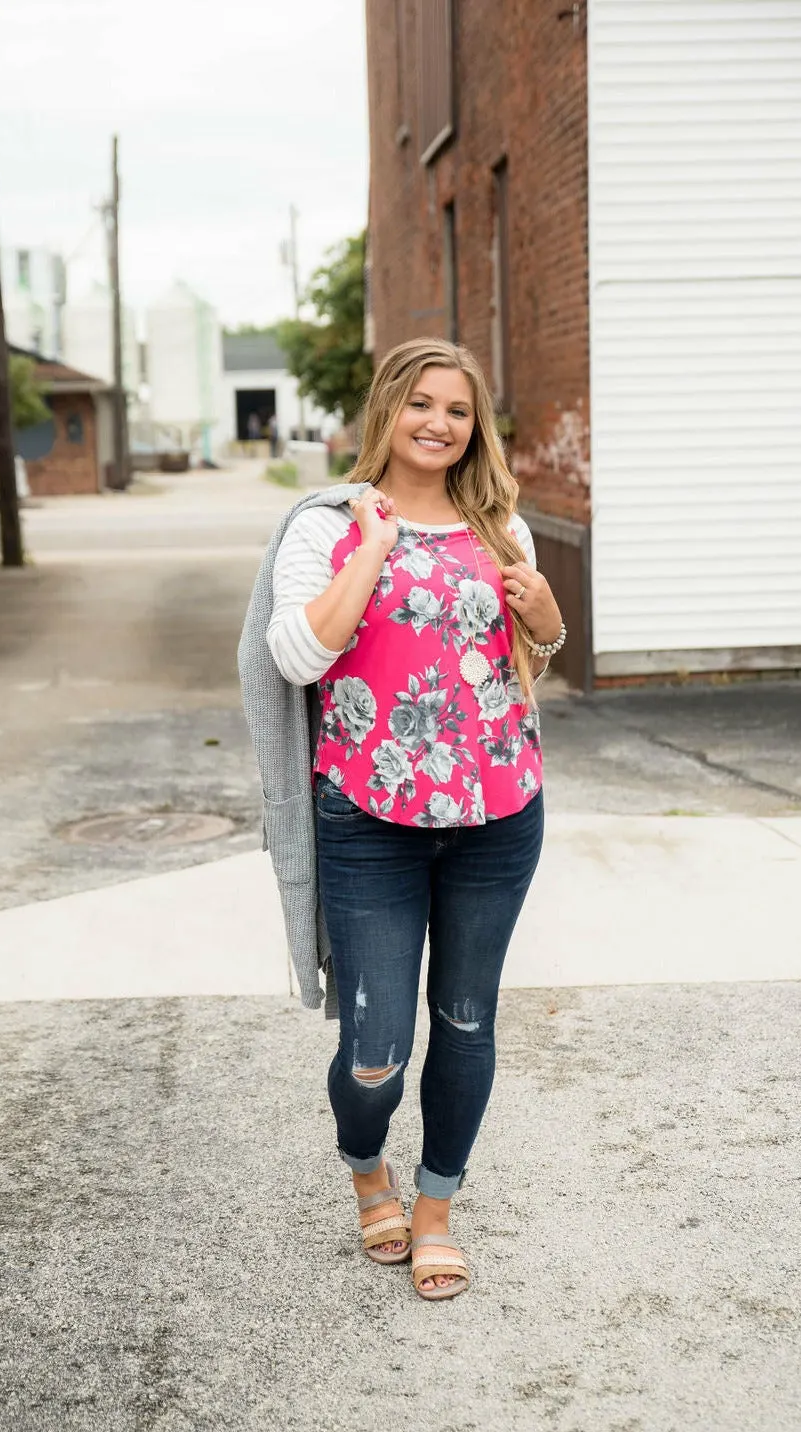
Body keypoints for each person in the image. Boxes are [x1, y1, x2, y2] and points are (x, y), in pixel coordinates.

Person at [238, 337, 567, 1300]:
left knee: (465, 1021)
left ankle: (434, 1209)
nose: (439, 423)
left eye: (458, 410)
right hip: (368, 820)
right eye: (422, 404)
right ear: (388, 410)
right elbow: (296, 657)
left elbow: (528, 660)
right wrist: (375, 544)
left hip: (497, 814)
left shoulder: (501, 526)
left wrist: (544, 617)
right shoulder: (323, 527)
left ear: (476, 426)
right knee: (376, 1050)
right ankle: (365, 1167)